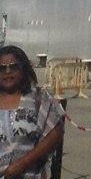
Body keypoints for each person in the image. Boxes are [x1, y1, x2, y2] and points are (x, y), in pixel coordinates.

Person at [0, 46, 64, 179]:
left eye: (13, 67)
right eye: (2, 68)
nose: (7, 72)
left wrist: (22, 163)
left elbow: (55, 133)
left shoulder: (38, 97)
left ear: (23, 69)